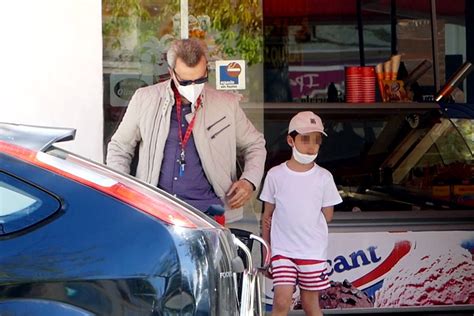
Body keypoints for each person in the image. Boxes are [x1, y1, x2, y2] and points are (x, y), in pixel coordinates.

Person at [107, 39, 266, 224]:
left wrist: (249, 181)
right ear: (171, 73)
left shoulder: (226, 104)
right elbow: (119, 147)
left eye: (200, 79)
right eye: (185, 81)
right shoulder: (145, 99)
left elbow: (255, 144)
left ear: (207, 70)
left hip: (209, 214)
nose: (193, 86)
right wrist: (122, 191)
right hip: (156, 211)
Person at [259, 111, 342, 316]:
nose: (311, 145)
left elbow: (328, 216)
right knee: (281, 301)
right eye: (305, 139)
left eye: (316, 140)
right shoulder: (275, 175)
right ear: (290, 140)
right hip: (282, 251)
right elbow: (266, 217)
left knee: (310, 304)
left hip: (312, 252)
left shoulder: (324, 177)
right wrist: (266, 254)